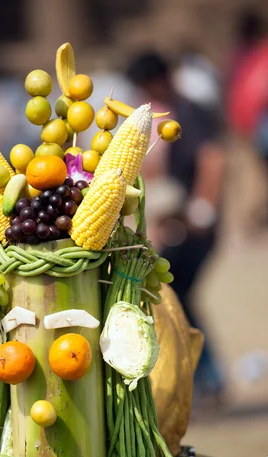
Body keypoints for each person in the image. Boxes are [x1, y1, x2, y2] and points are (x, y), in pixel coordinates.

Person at [126, 52, 226, 409]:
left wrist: (203, 209)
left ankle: (207, 378)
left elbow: (212, 160)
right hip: (175, 221)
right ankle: (206, 379)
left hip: (195, 225)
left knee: (177, 297)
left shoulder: (190, 110)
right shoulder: (157, 112)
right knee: (177, 297)